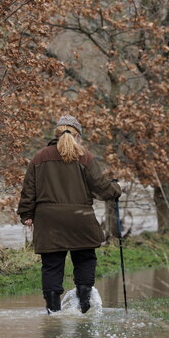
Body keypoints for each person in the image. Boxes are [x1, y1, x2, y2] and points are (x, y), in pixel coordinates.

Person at [17, 115, 122, 314]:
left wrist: (26, 214)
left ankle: (53, 311)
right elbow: (101, 188)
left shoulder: (39, 157)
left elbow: (28, 190)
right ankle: (83, 304)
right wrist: (116, 188)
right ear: (78, 136)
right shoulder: (85, 157)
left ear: (56, 133)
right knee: (84, 259)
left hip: (48, 221)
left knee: (51, 266)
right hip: (80, 218)